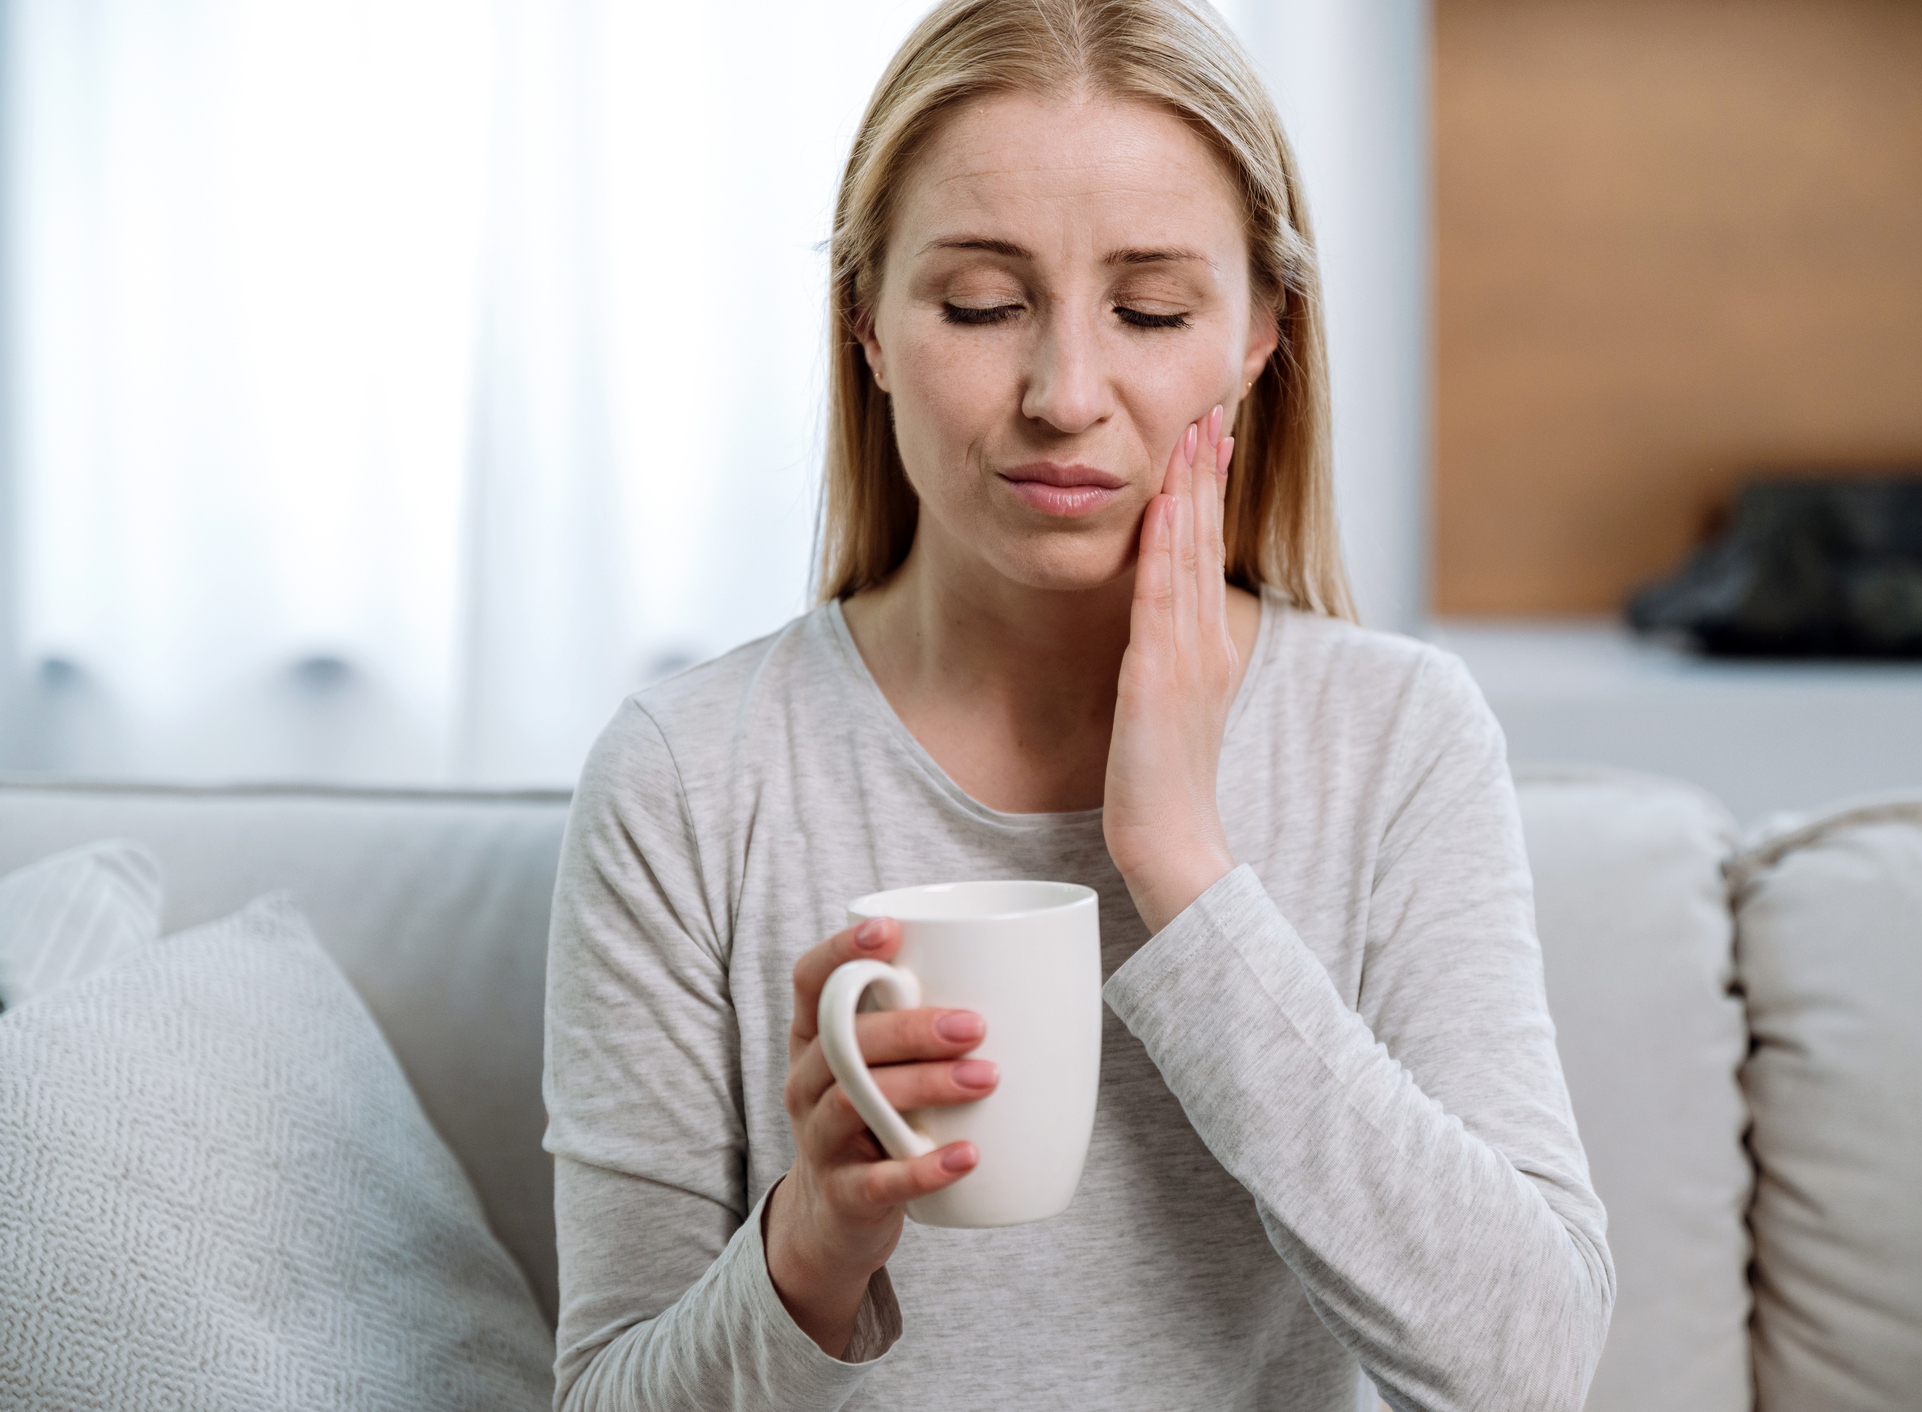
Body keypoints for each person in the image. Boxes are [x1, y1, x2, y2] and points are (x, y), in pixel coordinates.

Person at [542, 1, 1614, 1407]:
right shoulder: (690, 776)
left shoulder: (1392, 738)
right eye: (981, 306)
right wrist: (808, 1252)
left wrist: (1179, 861)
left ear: (1256, 336)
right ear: (864, 324)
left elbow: (1529, 1363)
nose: (1062, 394)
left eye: (1152, 311)